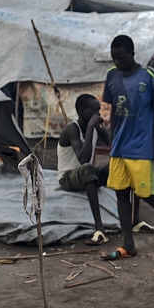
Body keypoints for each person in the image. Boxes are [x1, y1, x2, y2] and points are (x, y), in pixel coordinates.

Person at [100, 35, 154, 261]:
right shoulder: (112, 77)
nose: (117, 62)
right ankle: (128, 244)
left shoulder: (149, 77)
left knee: (144, 190)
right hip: (119, 146)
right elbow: (115, 110)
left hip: (141, 144)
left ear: (132, 54)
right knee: (121, 193)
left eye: (122, 57)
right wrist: (111, 138)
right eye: (114, 58)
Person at [58, 94, 112, 245]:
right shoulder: (71, 129)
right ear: (81, 111)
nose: (97, 115)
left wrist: (104, 130)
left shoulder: (95, 128)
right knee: (88, 168)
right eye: (93, 111)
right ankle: (99, 228)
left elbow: (114, 147)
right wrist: (90, 128)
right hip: (68, 177)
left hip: (84, 175)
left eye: (98, 111)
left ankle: (132, 218)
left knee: (119, 166)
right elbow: (83, 159)